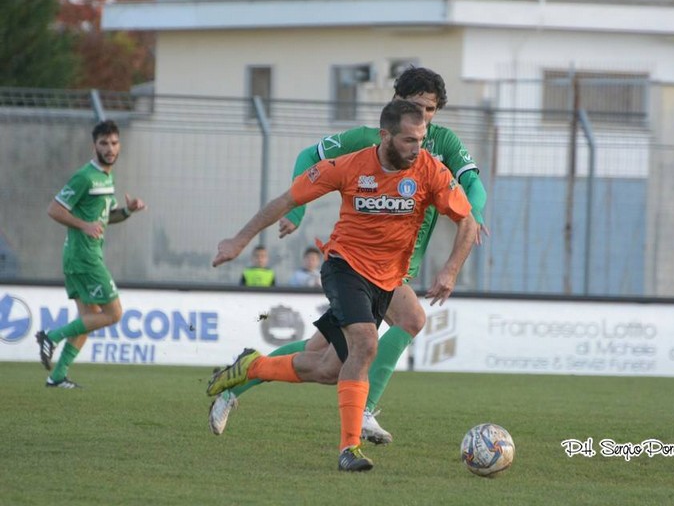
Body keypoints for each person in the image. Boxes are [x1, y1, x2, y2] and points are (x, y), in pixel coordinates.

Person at [208, 66, 489, 443]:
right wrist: (296, 212)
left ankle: (241, 376)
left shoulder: (441, 144)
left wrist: (476, 214)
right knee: (408, 320)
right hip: (356, 264)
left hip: (398, 266)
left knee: (322, 359)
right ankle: (362, 417)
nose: (423, 117)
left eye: (431, 109)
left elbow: (472, 182)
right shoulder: (367, 140)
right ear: (395, 103)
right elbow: (310, 157)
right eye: (416, 107)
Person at [35, 120, 146, 388]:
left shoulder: (107, 178)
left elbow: (106, 218)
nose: (110, 148)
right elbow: (54, 209)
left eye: (114, 143)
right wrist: (83, 225)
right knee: (114, 313)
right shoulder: (85, 176)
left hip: (84, 255)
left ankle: (57, 375)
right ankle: (52, 336)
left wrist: (128, 211)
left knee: (90, 318)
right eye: (104, 143)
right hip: (84, 258)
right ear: (94, 145)